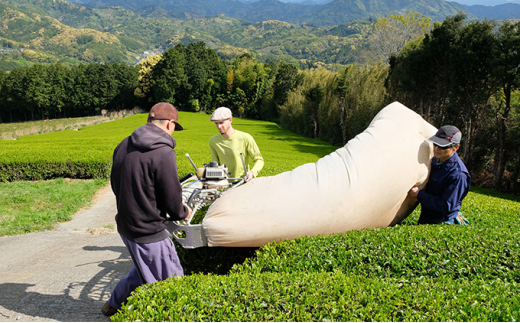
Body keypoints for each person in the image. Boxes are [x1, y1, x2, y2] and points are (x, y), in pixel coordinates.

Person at [102, 102, 192, 316]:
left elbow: (116, 183)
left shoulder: (123, 144)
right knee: (172, 280)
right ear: (170, 124)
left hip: (126, 224)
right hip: (148, 230)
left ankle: (113, 304)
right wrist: (183, 211)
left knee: (144, 270)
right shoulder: (163, 152)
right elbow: (171, 197)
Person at [408, 125, 471, 225]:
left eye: (443, 146)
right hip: (426, 217)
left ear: (456, 147)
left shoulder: (458, 175)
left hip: (442, 222)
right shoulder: (435, 160)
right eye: (435, 143)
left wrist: (419, 195)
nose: (437, 148)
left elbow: (446, 205)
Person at [209, 107, 264, 182]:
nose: (219, 126)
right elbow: (215, 165)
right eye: (216, 123)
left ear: (230, 120)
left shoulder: (245, 138)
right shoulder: (213, 141)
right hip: (225, 185)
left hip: (243, 184)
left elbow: (259, 160)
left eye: (221, 123)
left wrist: (252, 173)